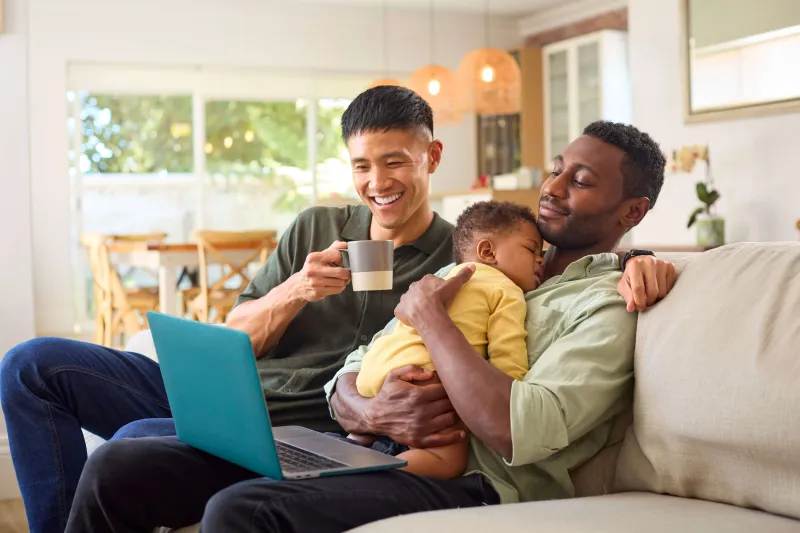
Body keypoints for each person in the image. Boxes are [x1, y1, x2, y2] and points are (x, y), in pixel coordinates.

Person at [0, 84, 670, 533]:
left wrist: (645, 260)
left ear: (432, 158)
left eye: (395, 162)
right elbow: (342, 359)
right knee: (39, 373)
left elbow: (512, 417)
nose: (378, 182)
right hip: (277, 399)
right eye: (362, 166)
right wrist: (299, 296)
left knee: (138, 451)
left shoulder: (482, 260)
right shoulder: (336, 232)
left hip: (343, 435)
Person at [350, 200, 543, 480]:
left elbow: (402, 320)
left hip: (375, 370)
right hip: (423, 374)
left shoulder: (442, 277)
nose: (540, 260)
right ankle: (370, 477)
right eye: (531, 249)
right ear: (487, 251)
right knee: (446, 459)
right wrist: (508, 387)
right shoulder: (506, 291)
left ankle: (353, 442)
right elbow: (508, 352)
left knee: (365, 433)